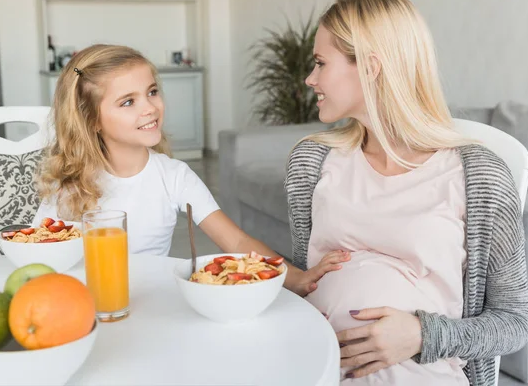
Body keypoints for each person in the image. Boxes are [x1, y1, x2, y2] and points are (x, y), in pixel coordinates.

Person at [285, 0, 528, 385]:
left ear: (369, 67)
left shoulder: (479, 175)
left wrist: (421, 334)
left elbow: (513, 324)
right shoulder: (311, 164)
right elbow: (305, 284)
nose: (310, 79)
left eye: (320, 63)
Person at [33, 44, 347, 296]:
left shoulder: (174, 176)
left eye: (152, 92)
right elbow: (39, 254)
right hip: (86, 303)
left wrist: (294, 277)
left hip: (153, 302)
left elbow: (236, 242)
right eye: (128, 102)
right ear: (92, 121)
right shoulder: (72, 185)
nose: (149, 108)